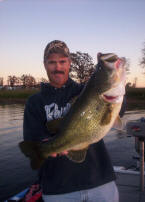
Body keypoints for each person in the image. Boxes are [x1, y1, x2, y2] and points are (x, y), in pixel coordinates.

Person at [23, 40, 123, 202]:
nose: (58, 67)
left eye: (62, 61)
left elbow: (119, 110)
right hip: (58, 190)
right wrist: (48, 145)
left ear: (69, 63)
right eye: (52, 62)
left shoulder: (86, 90)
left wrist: (107, 73)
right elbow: (32, 140)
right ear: (45, 65)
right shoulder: (35, 102)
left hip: (100, 182)